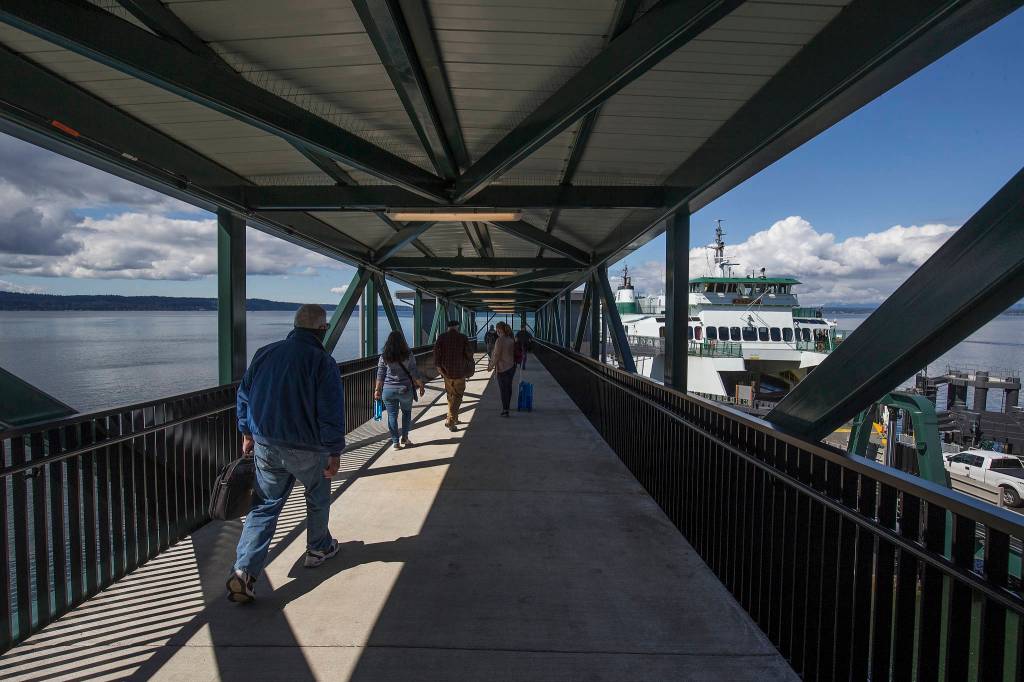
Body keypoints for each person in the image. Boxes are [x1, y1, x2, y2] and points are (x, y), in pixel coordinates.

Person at [227, 304, 344, 604]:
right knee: (317, 495)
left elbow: (244, 394)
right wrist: (334, 451)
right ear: (322, 329)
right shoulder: (322, 361)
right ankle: (318, 548)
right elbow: (330, 412)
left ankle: (244, 573)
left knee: (264, 505)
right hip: (308, 447)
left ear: (294, 326)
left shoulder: (265, 353)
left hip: (266, 443)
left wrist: (246, 432)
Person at [374, 331, 425, 451]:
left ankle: (395, 442)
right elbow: (414, 372)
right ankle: (405, 438)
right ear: (403, 342)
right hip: (405, 389)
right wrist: (421, 385)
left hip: (388, 390)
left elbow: (380, 374)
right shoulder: (408, 355)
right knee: (406, 413)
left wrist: (377, 390)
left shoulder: (384, 356)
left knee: (392, 415)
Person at [433, 319, 473, 431]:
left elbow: (436, 353)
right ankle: (450, 420)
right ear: (457, 327)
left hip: (446, 372)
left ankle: (454, 418)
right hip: (460, 372)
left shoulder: (441, 337)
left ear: (448, 327)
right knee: (458, 396)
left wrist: (439, 367)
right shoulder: (463, 338)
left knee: (450, 395)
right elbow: (469, 354)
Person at [488, 322, 517, 417]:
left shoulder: (500, 340)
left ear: (498, 329)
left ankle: (505, 410)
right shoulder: (511, 339)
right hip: (512, 367)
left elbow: (496, 355)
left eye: (497, 329)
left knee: (503, 389)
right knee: (508, 388)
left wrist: (491, 366)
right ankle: (507, 406)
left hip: (502, 368)